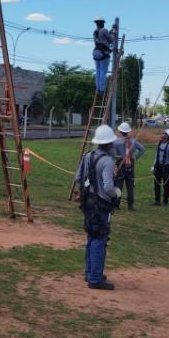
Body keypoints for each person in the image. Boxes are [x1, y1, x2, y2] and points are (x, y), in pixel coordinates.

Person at [74, 124, 121, 290]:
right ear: (109, 143)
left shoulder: (88, 156)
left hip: (88, 202)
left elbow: (78, 177)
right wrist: (117, 193)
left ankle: (90, 272)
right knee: (99, 239)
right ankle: (95, 278)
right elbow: (108, 187)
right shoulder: (107, 161)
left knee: (91, 236)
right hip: (101, 205)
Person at [112, 122, 145, 211]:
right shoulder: (133, 141)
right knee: (130, 186)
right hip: (130, 165)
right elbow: (142, 149)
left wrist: (118, 157)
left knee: (119, 185)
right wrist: (134, 157)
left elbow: (112, 154)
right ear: (128, 131)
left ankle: (116, 205)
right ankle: (130, 206)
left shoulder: (116, 142)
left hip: (120, 165)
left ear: (120, 131)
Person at [152, 129, 169, 206]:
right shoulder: (159, 144)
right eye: (163, 133)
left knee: (166, 185)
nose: (162, 135)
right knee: (156, 184)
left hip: (166, 167)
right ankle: (157, 200)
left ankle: (165, 201)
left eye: (164, 134)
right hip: (158, 166)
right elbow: (156, 155)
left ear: (168, 136)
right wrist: (153, 165)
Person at [92, 17, 113, 95]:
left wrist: (109, 32)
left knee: (98, 71)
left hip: (96, 51)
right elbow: (111, 40)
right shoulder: (104, 30)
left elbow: (102, 38)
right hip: (103, 52)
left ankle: (98, 88)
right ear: (103, 23)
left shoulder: (95, 32)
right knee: (103, 71)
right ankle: (102, 89)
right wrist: (112, 33)